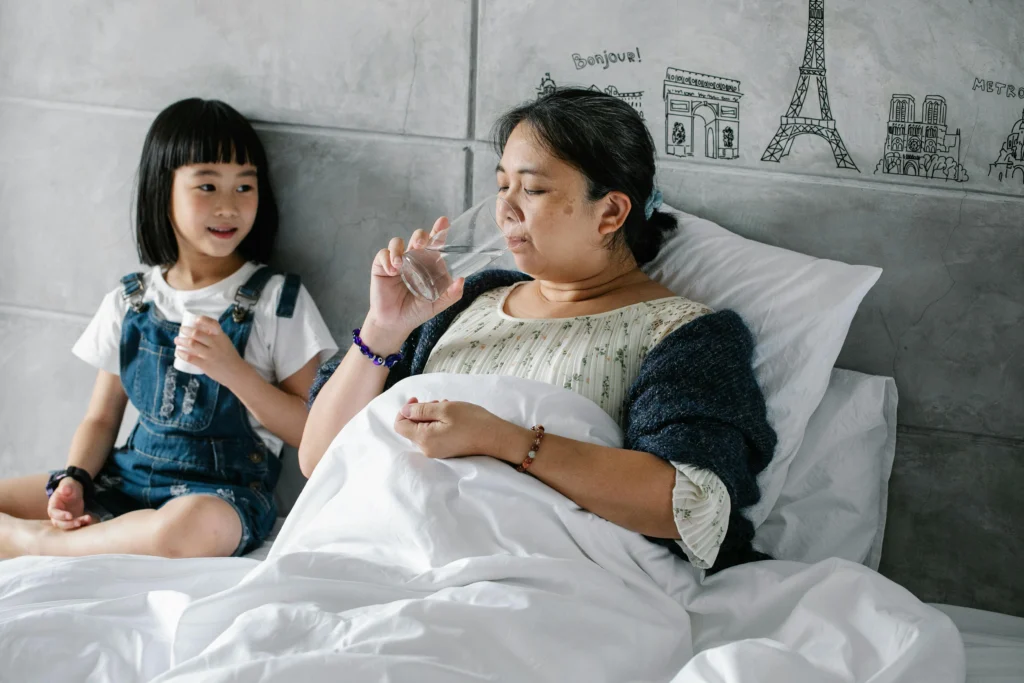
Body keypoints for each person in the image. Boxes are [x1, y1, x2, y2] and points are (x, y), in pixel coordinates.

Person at [302, 88, 777, 571]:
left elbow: (685, 504)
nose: (504, 209)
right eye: (502, 186)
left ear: (611, 212)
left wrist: (504, 441)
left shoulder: (684, 335)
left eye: (531, 189)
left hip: (543, 579)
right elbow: (320, 462)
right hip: (380, 554)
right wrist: (383, 330)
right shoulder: (459, 303)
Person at [0, 98, 337, 559]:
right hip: (129, 478)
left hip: (221, 496)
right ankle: (87, 532)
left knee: (182, 530)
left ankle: (39, 546)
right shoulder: (131, 299)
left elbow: (310, 430)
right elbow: (101, 418)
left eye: (244, 187)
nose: (228, 206)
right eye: (207, 186)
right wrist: (75, 478)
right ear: (164, 191)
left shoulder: (277, 301)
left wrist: (233, 372)